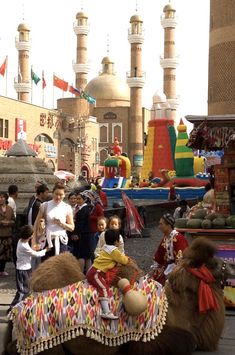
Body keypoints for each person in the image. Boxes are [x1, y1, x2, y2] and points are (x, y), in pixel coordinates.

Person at [87, 229, 129, 319]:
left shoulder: (105, 248)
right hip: (96, 273)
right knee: (104, 287)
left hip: (93, 270)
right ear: (116, 241)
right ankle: (106, 312)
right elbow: (123, 260)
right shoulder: (114, 251)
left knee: (103, 286)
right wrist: (127, 259)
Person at [9, 225, 49, 311]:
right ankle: (13, 308)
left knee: (26, 289)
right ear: (29, 236)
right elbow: (36, 255)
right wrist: (45, 250)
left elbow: (30, 251)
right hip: (22, 270)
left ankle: (21, 307)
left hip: (26, 269)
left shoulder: (21, 241)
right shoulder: (24, 246)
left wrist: (34, 248)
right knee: (23, 291)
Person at [33, 183, 74, 257]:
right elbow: (36, 223)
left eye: (61, 195)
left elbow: (72, 227)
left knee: (60, 266)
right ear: (52, 194)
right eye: (56, 194)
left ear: (64, 195)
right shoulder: (45, 205)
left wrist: (61, 224)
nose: (58, 197)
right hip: (47, 240)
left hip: (61, 240)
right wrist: (34, 241)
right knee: (47, 266)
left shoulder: (67, 207)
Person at [149, 213, 188, 285]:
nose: (159, 227)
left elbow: (182, 259)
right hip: (167, 267)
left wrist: (174, 272)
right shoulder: (166, 238)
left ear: (169, 225)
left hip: (179, 269)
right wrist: (154, 268)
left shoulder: (178, 238)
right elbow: (159, 254)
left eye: (161, 224)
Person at [74, 192, 92, 271]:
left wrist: (76, 233)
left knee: (81, 256)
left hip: (82, 235)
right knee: (87, 255)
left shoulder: (83, 209)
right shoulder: (84, 208)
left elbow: (80, 224)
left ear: (84, 200)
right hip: (86, 234)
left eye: (79, 199)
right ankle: (88, 273)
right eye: (76, 199)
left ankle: (80, 275)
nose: (77, 201)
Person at [0, 192, 15, 277]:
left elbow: (14, 220)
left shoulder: (9, 209)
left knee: (6, 253)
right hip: (0, 234)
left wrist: (9, 222)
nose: (1, 199)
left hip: (7, 234)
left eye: (2, 197)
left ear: (5, 198)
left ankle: (2, 270)